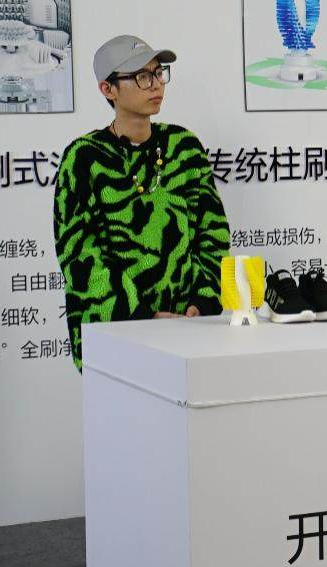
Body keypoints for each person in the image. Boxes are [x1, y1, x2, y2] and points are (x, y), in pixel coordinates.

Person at [53, 35, 230, 370]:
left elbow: (213, 231)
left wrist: (204, 300)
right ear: (108, 89)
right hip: (114, 331)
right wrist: (138, 316)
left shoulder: (183, 146)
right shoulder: (84, 157)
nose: (156, 84)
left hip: (187, 326)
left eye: (158, 73)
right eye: (141, 76)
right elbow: (78, 253)